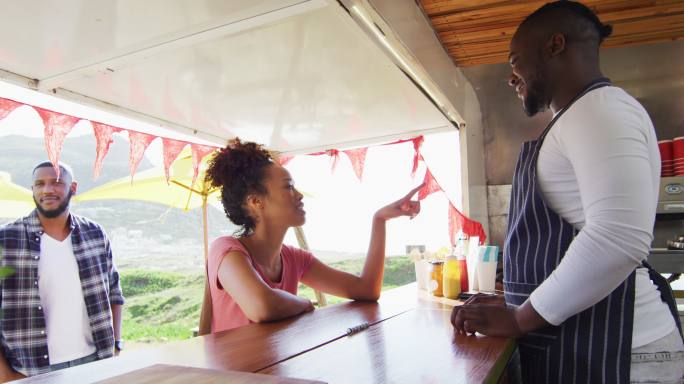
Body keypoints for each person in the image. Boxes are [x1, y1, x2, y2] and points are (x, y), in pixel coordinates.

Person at [450, 1, 683, 383]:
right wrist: (513, 301)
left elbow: (617, 238)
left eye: (515, 61)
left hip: (620, 350)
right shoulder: (578, 118)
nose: (511, 77)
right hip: (588, 345)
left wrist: (519, 316)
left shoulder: (599, 110)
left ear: (555, 45)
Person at [204, 139, 421, 332]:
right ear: (256, 202)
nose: (299, 195)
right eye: (288, 187)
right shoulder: (226, 251)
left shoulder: (294, 259)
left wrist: (380, 219)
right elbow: (262, 307)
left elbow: (366, 290)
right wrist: (305, 303)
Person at [0, 162, 124, 380]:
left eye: (56, 182)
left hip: (94, 362)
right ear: (32, 190)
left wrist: (116, 345)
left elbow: (114, 293)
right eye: (39, 184)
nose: (47, 189)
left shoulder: (95, 233)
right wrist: (5, 374)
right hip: (28, 369)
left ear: (73, 188)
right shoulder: (6, 239)